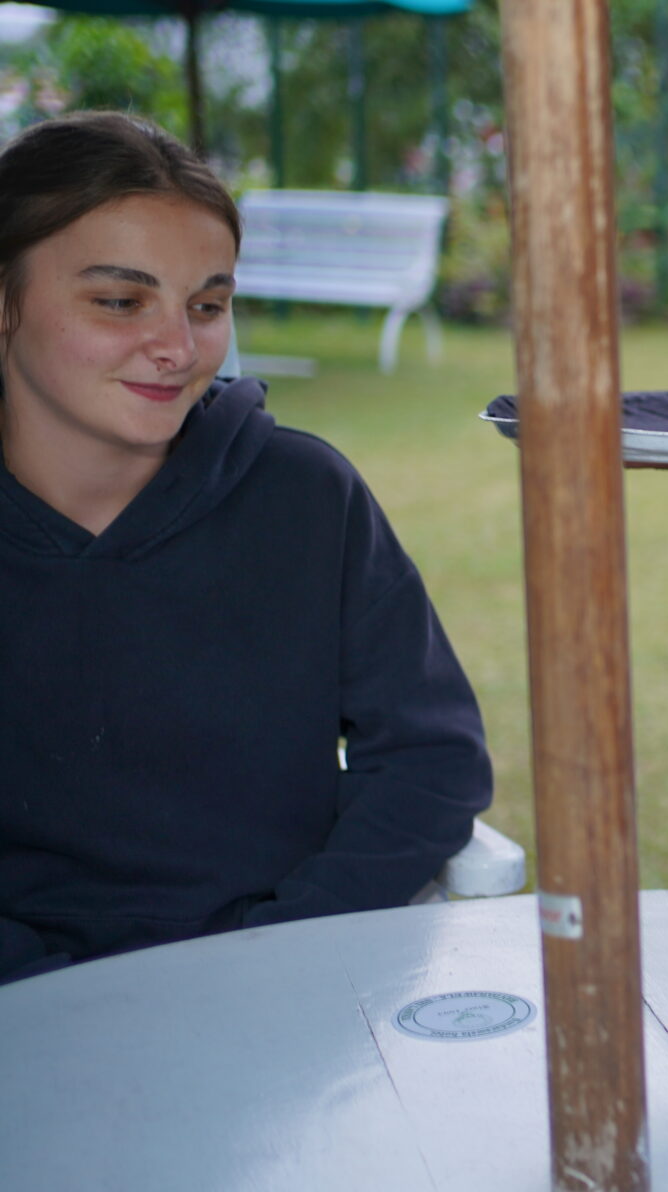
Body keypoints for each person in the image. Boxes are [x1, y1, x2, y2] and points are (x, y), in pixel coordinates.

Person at [0, 112, 493, 985]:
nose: (177, 347)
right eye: (120, 301)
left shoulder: (306, 497)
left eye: (207, 306)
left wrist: (279, 951)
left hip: (281, 987)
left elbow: (430, 760)